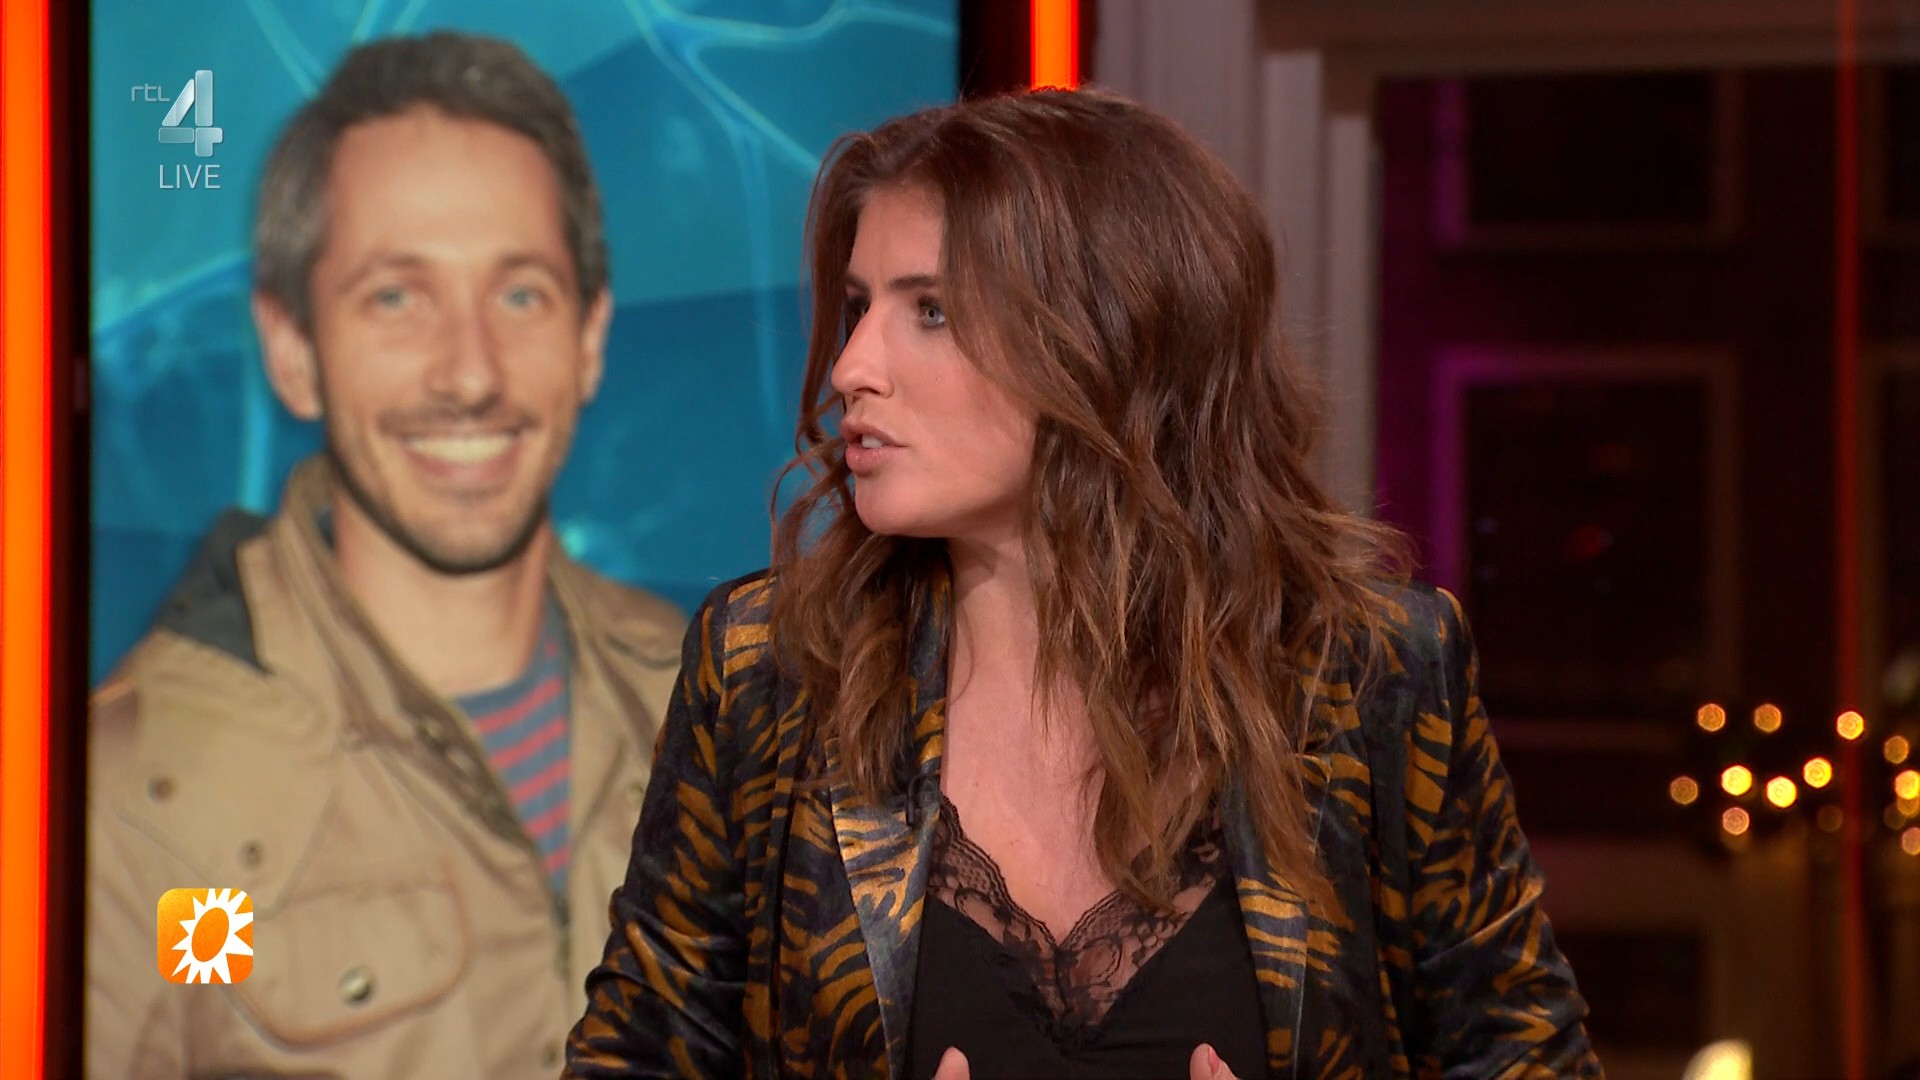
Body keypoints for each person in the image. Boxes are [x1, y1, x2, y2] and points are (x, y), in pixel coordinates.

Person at [564, 87, 1601, 1079]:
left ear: (1108, 338)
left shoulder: (1371, 672)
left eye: (931, 311)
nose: (852, 367)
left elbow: (1527, 1056)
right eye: (858, 306)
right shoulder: (771, 670)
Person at [85, 32, 685, 1079]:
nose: (470, 373)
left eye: (521, 293)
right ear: (292, 350)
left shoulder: (713, 701)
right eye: (396, 297)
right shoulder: (138, 804)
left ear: (591, 338)